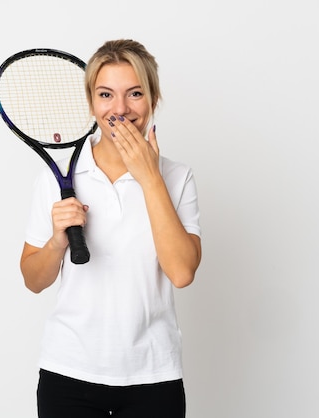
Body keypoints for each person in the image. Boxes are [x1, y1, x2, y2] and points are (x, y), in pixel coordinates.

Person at [20, 39, 202, 418]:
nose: (120, 109)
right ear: (91, 103)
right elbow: (34, 280)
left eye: (135, 94)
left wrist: (150, 178)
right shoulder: (57, 180)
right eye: (106, 94)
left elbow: (182, 272)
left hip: (154, 376)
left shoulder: (177, 177)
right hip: (69, 373)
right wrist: (57, 241)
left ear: (153, 98)